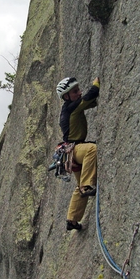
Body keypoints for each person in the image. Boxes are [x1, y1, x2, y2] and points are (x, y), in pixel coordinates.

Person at [56, 76, 100, 231]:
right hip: (74, 150)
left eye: (78, 90)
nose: (79, 93)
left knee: (79, 185)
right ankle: (86, 186)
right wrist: (96, 83)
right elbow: (90, 97)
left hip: (70, 153)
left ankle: (72, 220)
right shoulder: (70, 107)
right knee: (92, 149)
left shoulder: (71, 107)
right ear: (66, 96)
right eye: (75, 91)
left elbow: (89, 102)